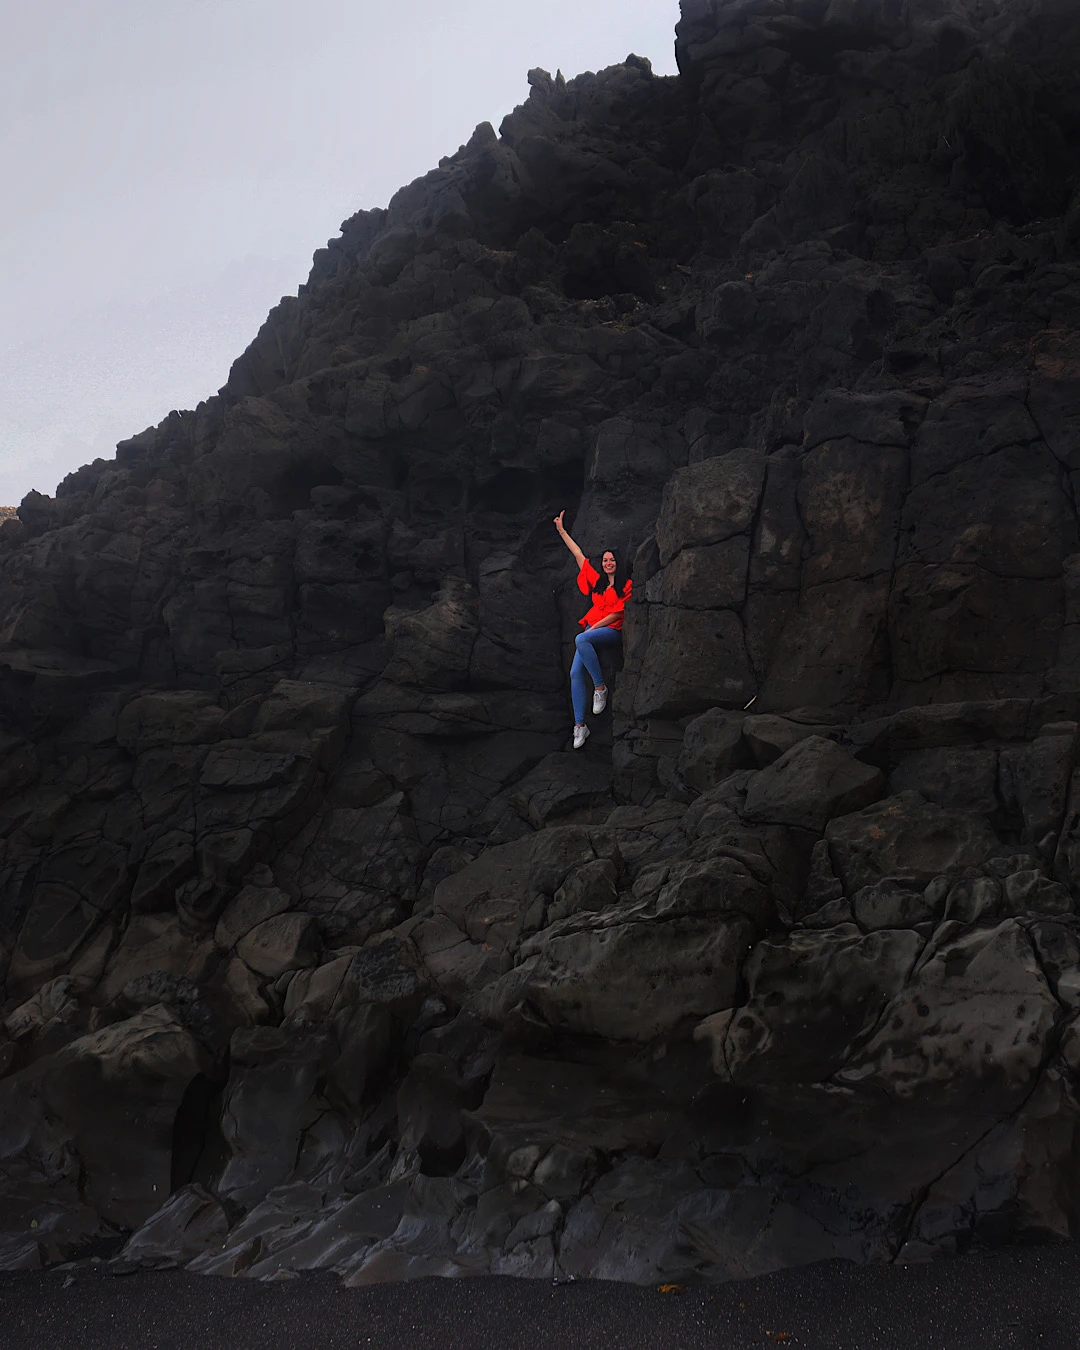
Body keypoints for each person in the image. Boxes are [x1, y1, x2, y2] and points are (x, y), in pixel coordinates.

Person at [554, 510, 632, 749]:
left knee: (582, 639)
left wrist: (592, 629)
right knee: (575, 674)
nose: (608, 563)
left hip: (610, 631)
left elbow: (618, 614)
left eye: (612, 560)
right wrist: (562, 531)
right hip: (590, 632)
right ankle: (580, 726)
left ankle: (600, 687)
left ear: (618, 563)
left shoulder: (625, 585)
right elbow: (578, 554)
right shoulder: (597, 582)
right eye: (605, 560)